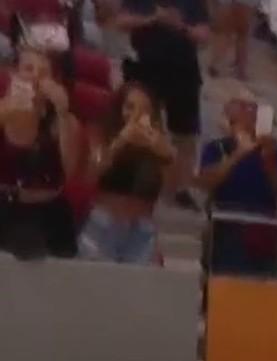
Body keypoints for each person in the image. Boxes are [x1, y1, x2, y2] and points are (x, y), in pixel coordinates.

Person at [115, 0, 207, 205]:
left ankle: (180, 188)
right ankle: (132, 177)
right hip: (145, 68)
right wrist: (153, 19)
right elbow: (121, 22)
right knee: (138, 122)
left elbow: (203, 35)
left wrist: (180, 26)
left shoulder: (193, 3)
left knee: (185, 134)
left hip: (183, 72)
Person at [79, 80, 173, 265]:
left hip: (142, 230)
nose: (136, 115)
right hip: (104, 224)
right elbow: (91, 173)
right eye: (130, 107)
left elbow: (171, 190)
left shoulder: (159, 143)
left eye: (144, 109)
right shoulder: (101, 134)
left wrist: (165, 157)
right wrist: (120, 141)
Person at [0, 46, 80, 259]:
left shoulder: (65, 121)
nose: (35, 77)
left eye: (43, 73)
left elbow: (69, 172)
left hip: (50, 214)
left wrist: (63, 113)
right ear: (15, 73)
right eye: (28, 69)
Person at [197, 94, 277, 277]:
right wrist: (238, 154)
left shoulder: (275, 151)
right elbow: (206, 181)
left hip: (263, 228)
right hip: (227, 228)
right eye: (243, 107)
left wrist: (269, 160)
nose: (250, 113)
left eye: (253, 107)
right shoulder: (216, 148)